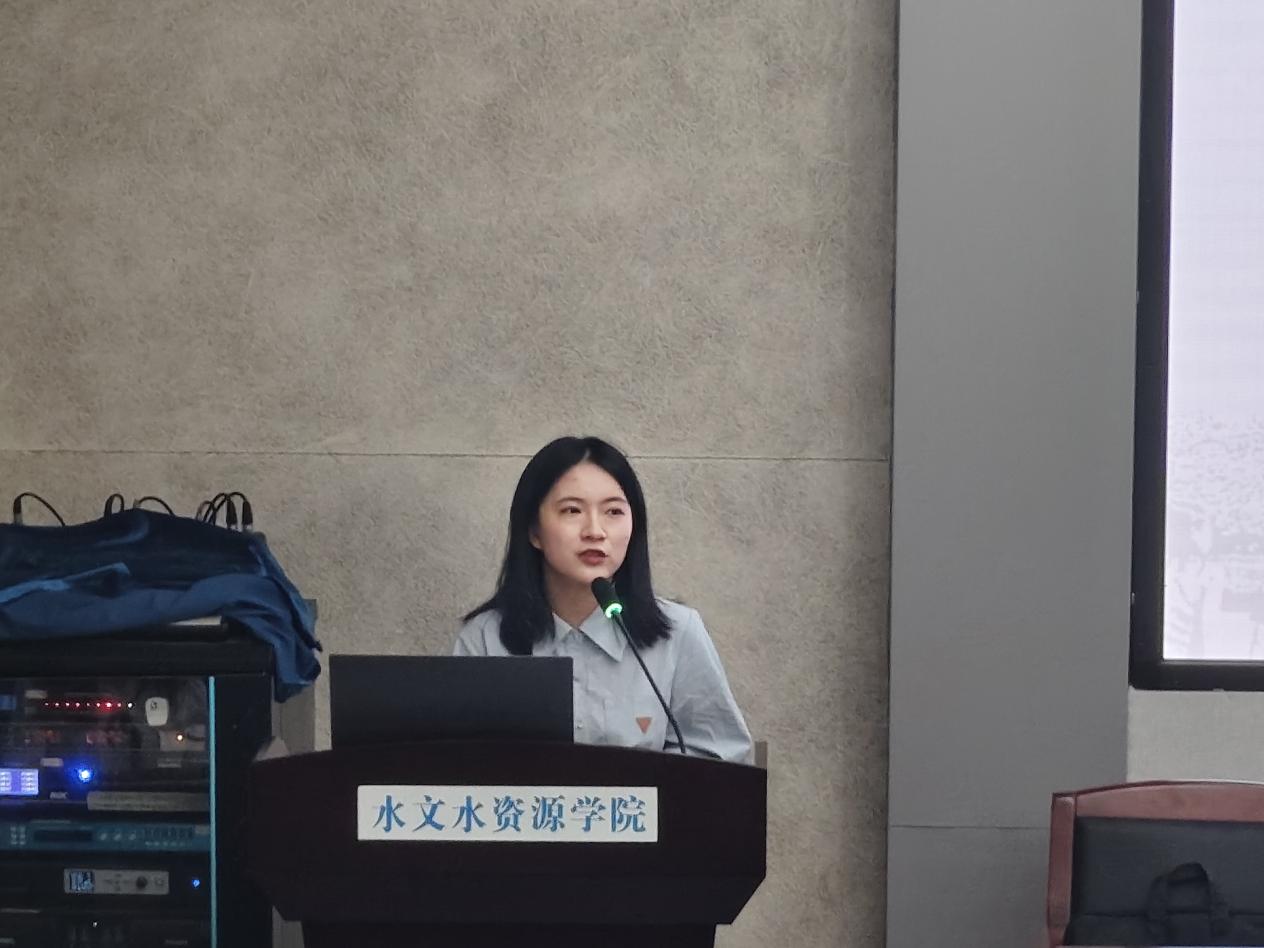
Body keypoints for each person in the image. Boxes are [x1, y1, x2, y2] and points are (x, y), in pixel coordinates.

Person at [455, 436, 753, 764]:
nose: (595, 531)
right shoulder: (485, 638)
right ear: (534, 531)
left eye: (613, 511)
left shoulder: (678, 633)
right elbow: (459, 764)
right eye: (572, 510)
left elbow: (720, 756)